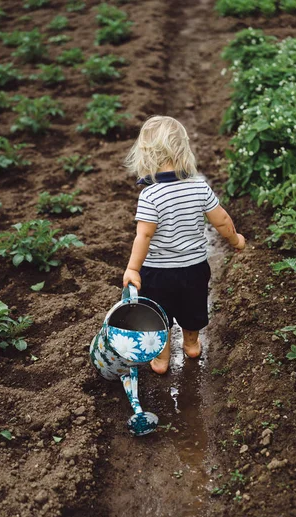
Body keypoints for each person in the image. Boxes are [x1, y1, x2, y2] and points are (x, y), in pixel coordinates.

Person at [122, 115, 245, 374]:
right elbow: (221, 219)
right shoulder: (199, 187)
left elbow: (143, 236)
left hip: (156, 273)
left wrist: (133, 268)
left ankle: (162, 357)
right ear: (183, 150)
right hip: (193, 268)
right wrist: (235, 239)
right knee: (192, 308)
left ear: (146, 155)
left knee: (159, 315)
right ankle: (191, 344)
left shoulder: (149, 195)